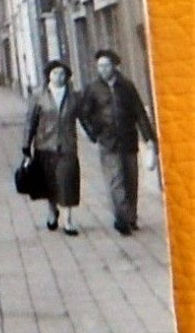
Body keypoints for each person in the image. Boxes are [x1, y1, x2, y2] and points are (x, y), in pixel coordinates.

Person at [78, 48, 159, 235]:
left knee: (131, 180)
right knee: (115, 181)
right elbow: (84, 114)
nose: (103, 69)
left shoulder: (127, 86)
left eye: (106, 65)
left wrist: (149, 139)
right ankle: (121, 218)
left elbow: (139, 112)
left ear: (114, 66)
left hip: (128, 139)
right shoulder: (93, 88)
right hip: (107, 141)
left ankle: (131, 217)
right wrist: (93, 133)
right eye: (100, 66)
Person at [23, 59, 84, 236]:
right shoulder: (39, 96)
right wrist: (26, 146)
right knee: (49, 183)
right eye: (55, 73)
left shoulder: (73, 97)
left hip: (67, 146)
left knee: (68, 182)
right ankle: (52, 212)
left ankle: (69, 220)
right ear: (49, 76)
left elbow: (83, 117)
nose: (59, 77)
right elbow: (30, 122)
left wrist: (95, 133)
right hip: (45, 145)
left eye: (62, 74)